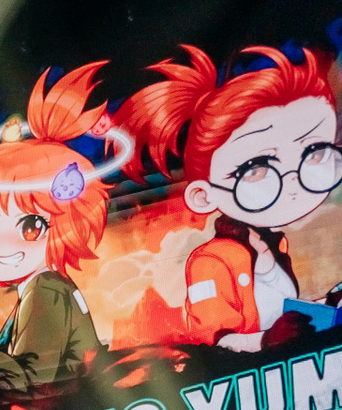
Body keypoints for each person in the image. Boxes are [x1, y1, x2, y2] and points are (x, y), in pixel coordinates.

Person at [117, 43, 339, 352]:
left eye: (314, 153)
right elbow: (212, 339)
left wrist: (328, 304)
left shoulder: (275, 244)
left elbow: (281, 310)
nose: (292, 180)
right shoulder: (210, 261)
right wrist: (266, 340)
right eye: (257, 169)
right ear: (203, 196)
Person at [0, 64, 112, 405]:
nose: (5, 243)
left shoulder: (47, 289)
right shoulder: (36, 291)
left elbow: (33, 384)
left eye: (31, 226)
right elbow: (11, 385)